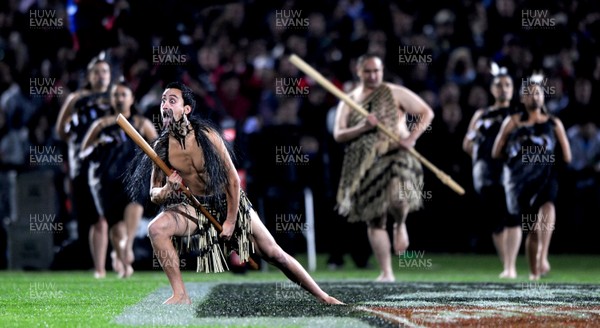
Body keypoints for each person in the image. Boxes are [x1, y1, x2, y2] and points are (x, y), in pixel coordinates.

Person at [127, 82, 343, 305]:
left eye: (172, 100)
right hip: (192, 205)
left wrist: (230, 221)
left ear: (186, 109)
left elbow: (232, 179)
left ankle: (323, 296)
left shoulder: (207, 136)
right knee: (156, 228)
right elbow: (154, 194)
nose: (165, 104)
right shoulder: (162, 146)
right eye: (163, 100)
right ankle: (180, 295)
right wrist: (167, 189)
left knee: (273, 253)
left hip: (227, 201)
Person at [333, 54, 434, 282]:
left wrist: (412, 138)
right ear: (359, 72)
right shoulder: (349, 99)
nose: (373, 75)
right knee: (375, 218)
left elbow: (427, 112)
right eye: (368, 71)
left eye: (376, 71)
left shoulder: (394, 92)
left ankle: (400, 223)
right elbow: (338, 134)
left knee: (398, 197)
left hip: (396, 154)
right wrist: (362, 127)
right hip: (366, 162)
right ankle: (386, 272)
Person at [492, 75, 571, 280]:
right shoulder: (514, 122)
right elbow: (496, 150)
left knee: (548, 206)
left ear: (543, 97)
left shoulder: (553, 123)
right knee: (530, 229)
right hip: (519, 180)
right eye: (529, 93)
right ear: (522, 98)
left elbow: (567, 155)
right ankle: (531, 272)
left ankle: (543, 257)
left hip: (544, 175)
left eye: (538, 92)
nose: (534, 96)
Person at [80, 80, 158, 278]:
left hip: (132, 176)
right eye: (116, 95)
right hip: (106, 180)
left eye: (124, 94)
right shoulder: (101, 125)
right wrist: (98, 144)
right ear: (111, 100)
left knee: (134, 202)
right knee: (115, 225)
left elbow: (158, 150)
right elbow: (84, 152)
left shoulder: (142, 124)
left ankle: (128, 245)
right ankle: (122, 257)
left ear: (131, 99)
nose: (120, 98)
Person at [55, 52, 113, 278]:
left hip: (106, 168)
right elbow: (61, 130)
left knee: (105, 217)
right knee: (86, 218)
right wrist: (76, 146)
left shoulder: (113, 101)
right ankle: (90, 264)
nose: (101, 76)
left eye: (105, 71)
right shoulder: (76, 100)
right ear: (89, 76)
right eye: (97, 72)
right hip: (82, 167)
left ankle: (107, 263)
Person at [463, 64, 521, 279]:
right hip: (486, 173)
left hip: (511, 172)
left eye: (508, 85)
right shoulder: (482, 115)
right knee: (496, 219)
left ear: (513, 89)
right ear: (492, 89)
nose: (503, 89)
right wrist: (480, 159)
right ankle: (506, 263)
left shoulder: (518, 114)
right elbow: (467, 143)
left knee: (513, 216)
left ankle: (511, 266)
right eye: (499, 85)